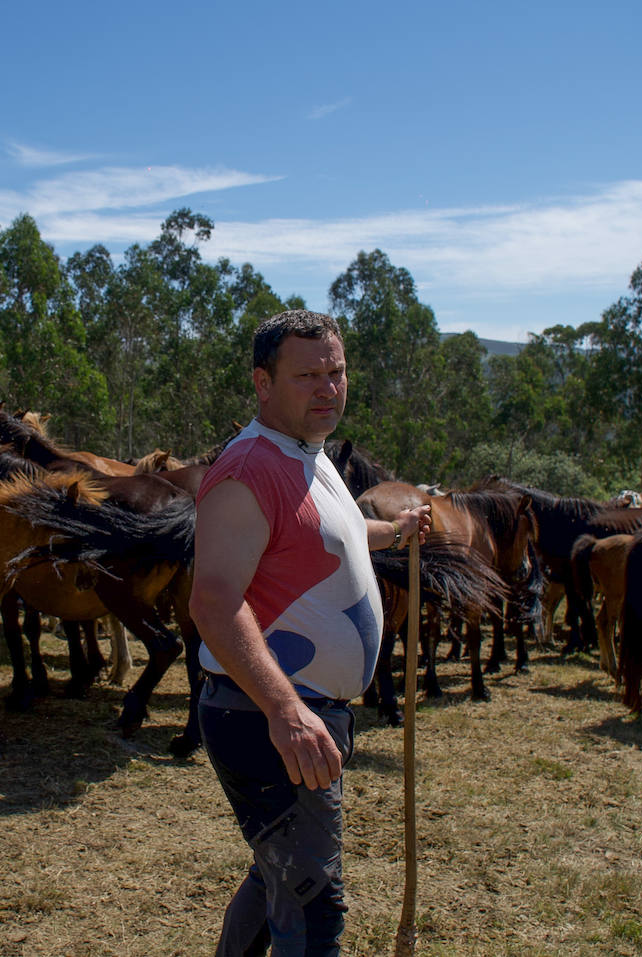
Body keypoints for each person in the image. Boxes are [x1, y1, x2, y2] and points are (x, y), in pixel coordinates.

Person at [188, 309, 430, 956]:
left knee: (280, 873)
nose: (328, 388)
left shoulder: (308, 454)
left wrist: (396, 530)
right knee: (313, 905)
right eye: (308, 376)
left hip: (301, 714)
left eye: (337, 372)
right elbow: (213, 601)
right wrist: (286, 709)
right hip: (268, 717)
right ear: (263, 383)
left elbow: (332, 535)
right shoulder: (248, 471)